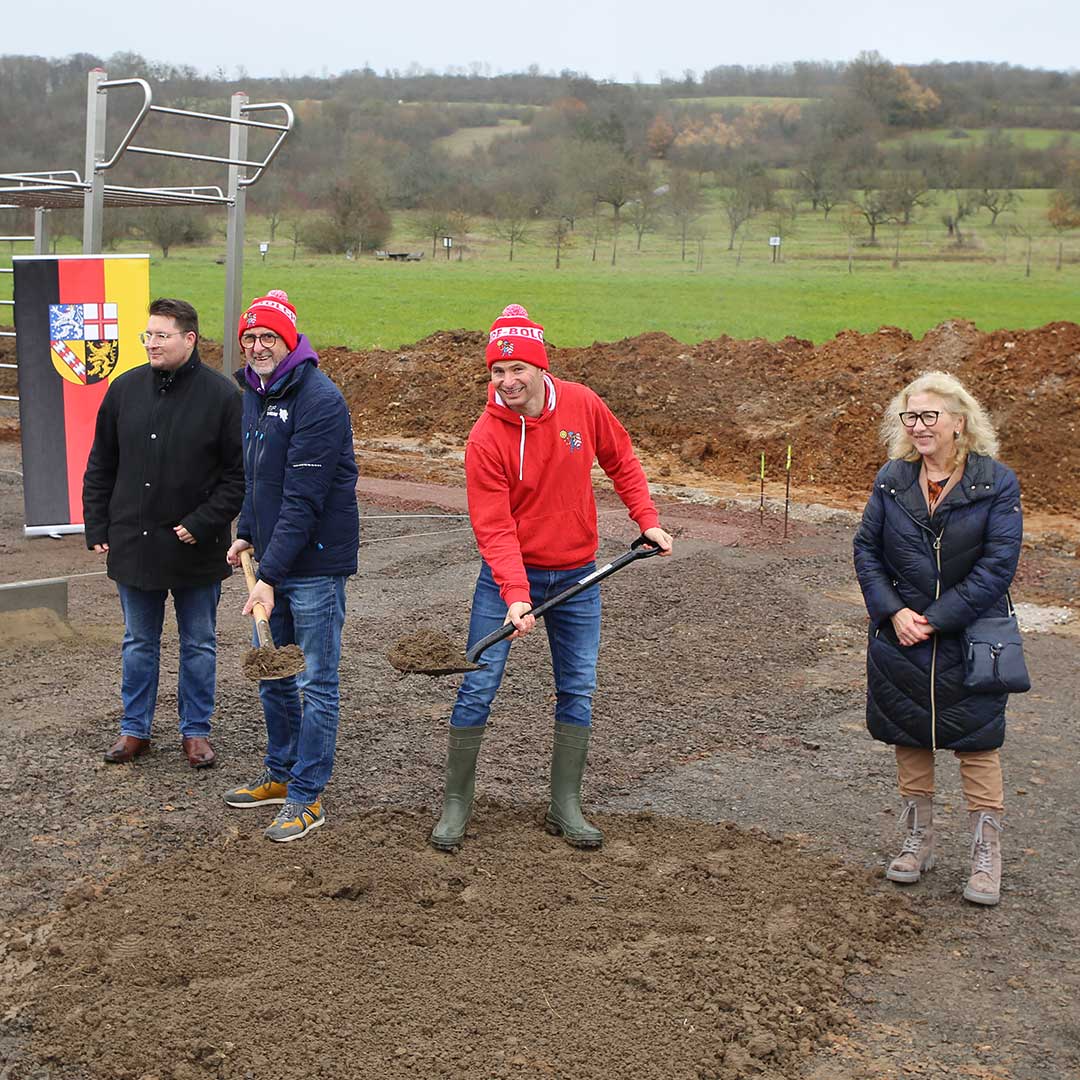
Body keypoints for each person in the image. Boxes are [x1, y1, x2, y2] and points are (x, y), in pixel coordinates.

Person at [430, 304, 673, 852]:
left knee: (578, 689)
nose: (508, 381)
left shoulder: (582, 405)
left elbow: (623, 461)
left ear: (541, 367)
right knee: (478, 685)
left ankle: (564, 805)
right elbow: (493, 528)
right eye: (498, 371)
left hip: (577, 576)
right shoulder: (485, 438)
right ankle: (456, 805)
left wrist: (648, 521)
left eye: (518, 369)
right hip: (507, 580)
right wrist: (515, 596)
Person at [853, 371, 1023, 906]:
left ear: (959, 421)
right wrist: (893, 611)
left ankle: (985, 855)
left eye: (930, 416)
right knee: (909, 734)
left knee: (977, 743)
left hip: (972, 634)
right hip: (900, 632)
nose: (919, 426)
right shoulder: (892, 479)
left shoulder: (996, 482)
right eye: (911, 417)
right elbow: (866, 550)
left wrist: (936, 617)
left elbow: (998, 565)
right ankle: (918, 840)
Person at [83, 298, 244, 769]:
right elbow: (102, 463)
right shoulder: (124, 390)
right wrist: (98, 522)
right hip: (135, 544)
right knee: (138, 641)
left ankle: (195, 733)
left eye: (161, 335)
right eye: (147, 335)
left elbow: (237, 477)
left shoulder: (222, 397)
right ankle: (135, 731)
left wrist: (200, 523)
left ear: (189, 339)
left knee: (199, 642)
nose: (151, 343)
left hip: (196, 547)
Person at [223, 290, 359, 843]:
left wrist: (270, 579)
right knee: (272, 673)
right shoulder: (253, 395)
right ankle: (280, 776)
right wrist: (246, 536)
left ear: (289, 340)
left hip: (315, 566)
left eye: (267, 337)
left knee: (317, 681)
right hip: (273, 560)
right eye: (249, 338)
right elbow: (259, 481)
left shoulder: (319, 399)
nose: (257, 346)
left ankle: (308, 795)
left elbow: (303, 499)